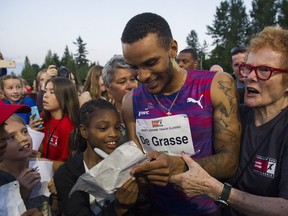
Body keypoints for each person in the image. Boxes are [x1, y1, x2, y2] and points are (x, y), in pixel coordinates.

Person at [121, 12, 241, 215]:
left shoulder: (215, 85)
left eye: (150, 63)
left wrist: (179, 166)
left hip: (207, 210)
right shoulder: (130, 102)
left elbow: (230, 163)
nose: (142, 76)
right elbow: (138, 166)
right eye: (134, 67)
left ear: (172, 49)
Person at [170, 26, 288, 216]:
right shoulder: (233, 117)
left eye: (264, 70)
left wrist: (219, 191)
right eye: (247, 68)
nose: (249, 77)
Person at [54, 98, 138, 216]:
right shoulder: (67, 174)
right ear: (84, 131)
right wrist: (118, 208)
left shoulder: (129, 168)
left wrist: (143, 192)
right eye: (103, 128)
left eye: (117, 127)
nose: (114, 134)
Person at [0, 101, 43, 216]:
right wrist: (21, 193)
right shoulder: (4, 181)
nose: (23, 139)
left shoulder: (44, 166)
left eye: (25, 131)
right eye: (11, 137)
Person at [30, 77, 79, 170]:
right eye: (45, 91)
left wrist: (43, 161)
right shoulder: (43, 117)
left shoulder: (68, 126)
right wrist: (33, 133)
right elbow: (42, 150)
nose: (45, 96)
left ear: (65, 96)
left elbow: (67, 166)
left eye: (52, 92)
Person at [102, 55, 138, 144]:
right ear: (107, 87)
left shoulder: (151, 110)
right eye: (122, 82)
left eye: (133, 79)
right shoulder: (103, 116)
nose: (130, 86)